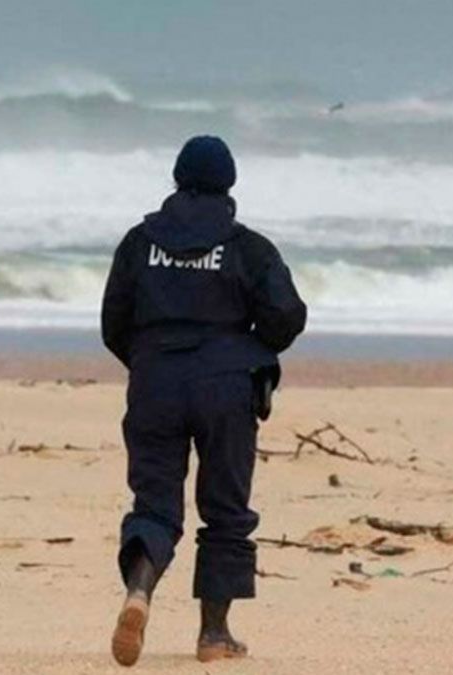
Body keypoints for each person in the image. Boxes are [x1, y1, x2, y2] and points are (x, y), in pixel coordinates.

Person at [100, 136, 307, 665]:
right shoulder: (248, 248)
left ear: (176, 179)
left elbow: (112, 324)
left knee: (153, 503)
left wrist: (151, 361)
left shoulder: (138, 242)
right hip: (225, 386)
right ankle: (214, 634)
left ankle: (140, 591)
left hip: (154, 384)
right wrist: (248, 347)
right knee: (226, 509)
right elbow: (286, 316)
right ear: (229, 184)